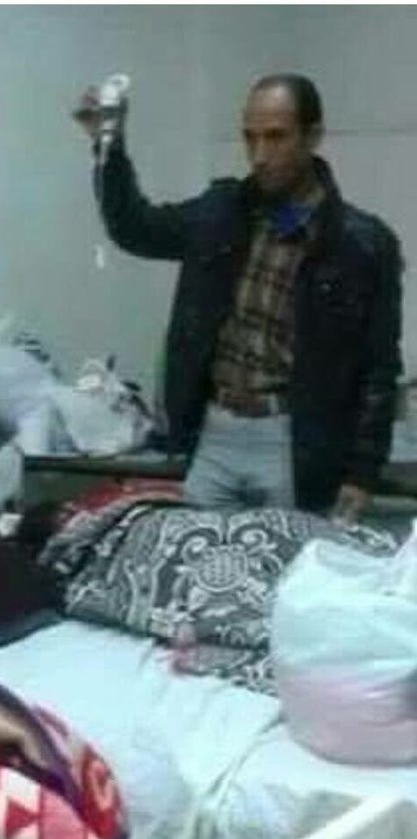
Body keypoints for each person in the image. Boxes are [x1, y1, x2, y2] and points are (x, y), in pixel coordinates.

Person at [73, 74, 403, 519]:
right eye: (250, 138)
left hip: (292, 443)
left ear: (313, 137)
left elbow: (379, 369)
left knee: (283, 561)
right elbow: (135, 229)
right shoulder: (221, 212)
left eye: (276, 137)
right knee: (200, 557)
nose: (260, 155)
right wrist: (108, 146)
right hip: (215, 434)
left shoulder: (362, 244)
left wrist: (362, 473)